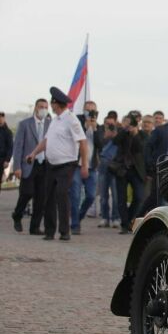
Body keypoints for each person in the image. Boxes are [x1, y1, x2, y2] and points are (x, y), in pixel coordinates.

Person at [26, 87, 89, 241]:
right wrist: (34, 153)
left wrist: (84, 165)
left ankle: (64, 231)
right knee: (48, 197)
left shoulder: (71, 120)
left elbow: (82, 142)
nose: (50, 106)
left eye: (52, 103)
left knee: (61, 195)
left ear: (56, 104)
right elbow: (47, 141)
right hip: (51, 165)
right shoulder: (55, 120)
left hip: (66, 165)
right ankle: (49, 231)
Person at [11, 99, 50, 233]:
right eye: (41, 107)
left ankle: (35, 227)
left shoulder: (50, 124)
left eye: (46, 107)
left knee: (41, 198)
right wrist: (17, 167)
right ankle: (17, 215)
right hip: (28, 164)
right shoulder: (24, 124)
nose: (43, 109)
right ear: (35, 108)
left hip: (44, 164)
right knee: (27, 193)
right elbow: (18, 147)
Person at [69, 101, 103, 235]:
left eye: (93, 110)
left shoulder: (98, 127)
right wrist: (85, 126)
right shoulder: (77, 122)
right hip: (76, 165)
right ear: (83, 110)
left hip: (91, 166)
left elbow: (101, 145)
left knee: (90, 196)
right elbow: (74, 138)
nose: (90, 113)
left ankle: (78, 217)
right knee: (75, 195)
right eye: (88, 110)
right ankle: (75, 225)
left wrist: (94, 129)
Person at [112, 114, 146, 233]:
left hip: (136, 171)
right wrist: (124, 129)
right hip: (122, 169)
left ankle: (129, 219)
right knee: (121, 198)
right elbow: (115, 141)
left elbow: (140, 149)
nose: (130, 125)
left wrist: (135, 134)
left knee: (139, 197)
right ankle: (124, 224)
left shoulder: (142, 134)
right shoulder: (123, 133)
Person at [97, 114, 120, 228]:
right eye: (107, 123)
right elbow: (97, 145)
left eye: (111, 124)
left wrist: (115, 136)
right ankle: (104, 217)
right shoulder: (100, 132)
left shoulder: (120, 134)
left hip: (115, 167)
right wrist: (105, 137)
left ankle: (115, 217)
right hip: (103, 166)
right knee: (103, 195)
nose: (109, 126)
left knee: (116, 195)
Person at [0, 111, 14, 195]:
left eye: (1, 117)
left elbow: (10, 147)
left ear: (4, 119)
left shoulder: (8, 132)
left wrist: (7, 160)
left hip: (2, 160)